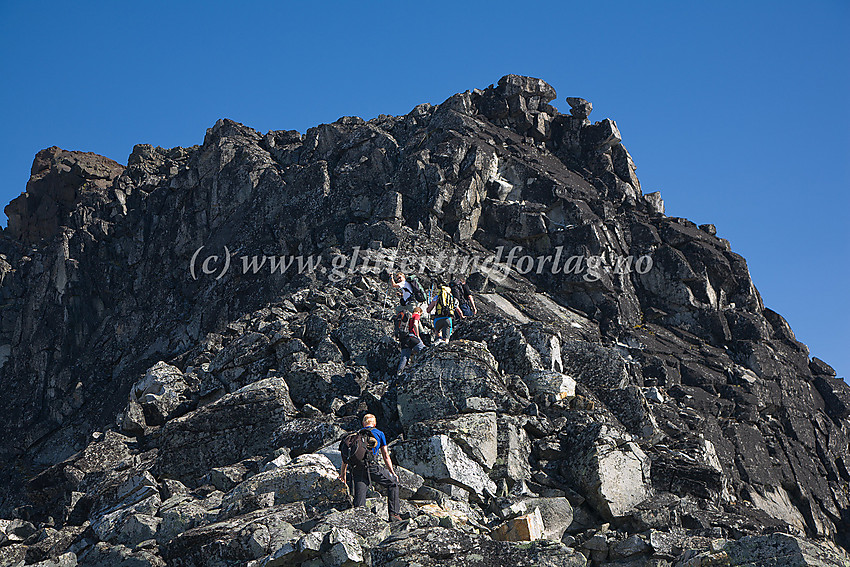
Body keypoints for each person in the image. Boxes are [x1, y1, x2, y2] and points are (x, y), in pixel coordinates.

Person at [338, 414, 401, 522]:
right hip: (371, 467)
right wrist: (392, 472)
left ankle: (359, 521)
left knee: (359, 499)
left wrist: (342, 474)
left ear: (363, 424)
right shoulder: (379, 433)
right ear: (375, 423)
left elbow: (345, 458)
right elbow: (385, 455)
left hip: (357, 469)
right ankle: (394, 515)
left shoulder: (356, 436)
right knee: (393, 483)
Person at [427, 279, 465, 344]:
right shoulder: (452, 298)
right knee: (446, 339)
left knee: (437, 331)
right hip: (448, 319)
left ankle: (439, 340)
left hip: (437, 319)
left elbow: (428, 310)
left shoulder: (437, 297)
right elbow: (458, 310)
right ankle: (444, 346)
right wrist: (462, 317)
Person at [398, 306, 425, 374]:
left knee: (404, 357)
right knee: (424, 351)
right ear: (419, 312)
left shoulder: (408, 317)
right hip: (412, 337)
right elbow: (415, 324)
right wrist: (418, 336)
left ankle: (399, 373)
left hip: (404, 339)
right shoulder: (416, 315)